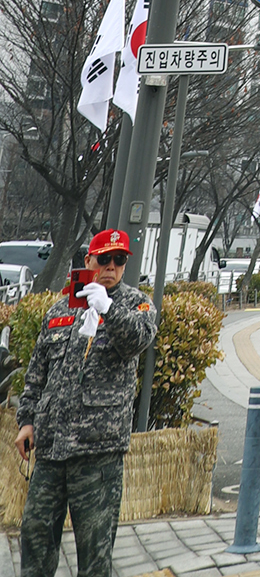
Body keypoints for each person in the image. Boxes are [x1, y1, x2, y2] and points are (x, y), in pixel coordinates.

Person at [14, 227, 157, 577]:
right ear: (89, 260)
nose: (111, 267)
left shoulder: (135, 304)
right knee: (34, 537)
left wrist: (108, 309)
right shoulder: (61, 308)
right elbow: (37, 373)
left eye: (119, 260)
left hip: (97, 452)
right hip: (51, 448)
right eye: (104, 259)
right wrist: (27, 421)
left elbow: (137, 339)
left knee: (94, 552)